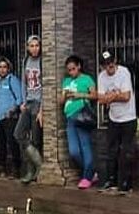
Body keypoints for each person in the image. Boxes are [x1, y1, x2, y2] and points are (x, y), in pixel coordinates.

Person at [97, 50, 137, 194]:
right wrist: (115, 95)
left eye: (112, 62)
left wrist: (111, 96)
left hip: (128, 117)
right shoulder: (101, 77)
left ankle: (126, 184)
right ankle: (110, 181)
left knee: (126, 151)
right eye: (107, 64)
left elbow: (126, 96)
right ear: (102, 66)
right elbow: (100, 99)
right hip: (114, 118)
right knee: (111, 150)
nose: (110, 66)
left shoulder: (124, 72)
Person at [61, 55, 97, 190]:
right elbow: (60, 101)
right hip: (70, 117)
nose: (71, 72)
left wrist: (79, 95)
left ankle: (87, 177)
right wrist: (65, 95)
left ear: (79, 67)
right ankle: (90, 171)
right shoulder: (66, 81)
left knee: (85, 146)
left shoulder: (86, 79)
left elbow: (94, 95)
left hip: (82, 115)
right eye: (69, 70)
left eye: (73, 69)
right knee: (74, 151)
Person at [15, 35, 44, 184]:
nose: (34, 48)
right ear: (27, 47)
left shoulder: (42, 62)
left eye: (36, 45)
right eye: (31, 46)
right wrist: (23, 101)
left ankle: (34, 172)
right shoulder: (26, 61)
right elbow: (23, 83)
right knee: (19, 133)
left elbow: (46, 85)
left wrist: (42, 109)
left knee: (36, 139)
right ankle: (37, 165)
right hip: (28, 102)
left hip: (39, 103)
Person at [0, 56, 24, 178]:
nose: (2, 70)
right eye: (0, 67)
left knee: (12, 143)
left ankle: (16, 168)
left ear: (8, 68)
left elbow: (19, 98)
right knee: (0, 144)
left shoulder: (13, 80)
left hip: (9, 117)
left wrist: (12, 110)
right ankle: (2, 167)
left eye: (4, 67)